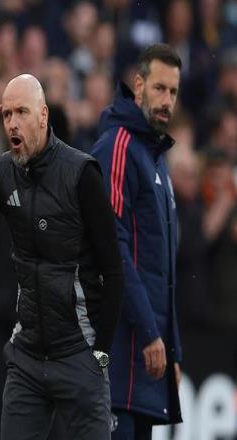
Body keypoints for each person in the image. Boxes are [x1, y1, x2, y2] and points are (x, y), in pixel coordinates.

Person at [0, 73, 124, 439]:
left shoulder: (81, 173)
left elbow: (113, 270)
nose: (12, 123)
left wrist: (100, 354)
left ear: (43, 115)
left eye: (22, 111)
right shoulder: (4, 171)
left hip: (78, 353)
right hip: (28, 358)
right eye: (7, 114)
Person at [90, 43, 183, 439]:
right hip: (119, 358)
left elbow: (163, 269)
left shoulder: (155, 156)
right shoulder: (118, 146)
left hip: (147, 361)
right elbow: (112, 247)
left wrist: (172, 349)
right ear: (139, 85)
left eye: (173, 92)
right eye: (159, 88)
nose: (166, 101)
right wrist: (149, 333)